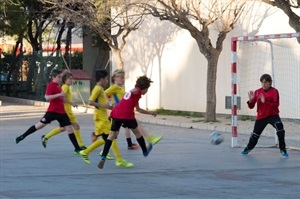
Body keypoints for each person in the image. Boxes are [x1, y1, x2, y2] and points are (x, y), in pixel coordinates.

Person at [92, 69, 163, 150]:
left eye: (123, 77)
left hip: (123, 113)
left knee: (117, 133)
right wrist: (110, 102)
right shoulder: (114, 87)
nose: (123, 79)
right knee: (115, 134)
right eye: (121, 77)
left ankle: (129, 144)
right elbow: (105, 93)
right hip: (119, 113)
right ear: (115, 78)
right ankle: (147, 139)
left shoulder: (120, 88)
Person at [15, 69, 81, 154]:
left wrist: (72, 103)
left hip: (61, 112)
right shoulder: (51, 85)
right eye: (59, 77)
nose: (61, 79)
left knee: (69, 128)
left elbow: (62, 98)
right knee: (39, 126)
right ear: (53, 77)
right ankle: (22, 136)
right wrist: (59, 94)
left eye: (61, 77)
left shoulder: (58, 86)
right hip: (52, 111)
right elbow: (47, 97)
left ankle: (77, 148)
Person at [98, 75, 156, 169]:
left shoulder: (136, 95)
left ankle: (103, 157)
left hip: (117, 113)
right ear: (144, 87)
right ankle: (145, 151)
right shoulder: (137, 90)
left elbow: (139, 109)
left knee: (111, 135)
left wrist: (150, 112)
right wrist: (133, 90)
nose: (146, 91)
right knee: (137, 133)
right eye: (147, 89)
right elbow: (135, 91)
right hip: (127, 115)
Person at [79, 69, 134, 168]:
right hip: (101, 118)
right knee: (112, 137)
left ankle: (86, 152)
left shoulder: (100, 89)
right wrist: (105, 106)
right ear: (102, 79)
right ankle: (119, 160)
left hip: (102, 117)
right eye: (106, 79)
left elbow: (104, 100)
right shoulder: (98, 89)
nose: (107, 81)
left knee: (107, 139)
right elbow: (90, 102)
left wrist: (109, 104)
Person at [241, 74, 288, 158]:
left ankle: (283, 149)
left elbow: (276, 104)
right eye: (262, 82)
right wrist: (251, 100)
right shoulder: (258, 92)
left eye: (266, 82)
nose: (263, 84)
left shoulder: (274, 91)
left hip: (273, 115)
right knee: (255, 135)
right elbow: (251, 106)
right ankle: (248, 148)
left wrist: (265, 101)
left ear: (270, 83)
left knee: (280, 128)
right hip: (261, 116)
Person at [41, 71, 86, 154]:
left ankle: (46, 137)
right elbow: (62, 98)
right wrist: (71, 104)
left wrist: (72, 104)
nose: (71, 80)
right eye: (70, 79)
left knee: (63, 128)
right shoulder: (65, 87)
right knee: (75, 126)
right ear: (65, 79)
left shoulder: (66, 87)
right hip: (66, 111)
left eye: (72, 79)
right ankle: (81, 145)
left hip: (67, 110)